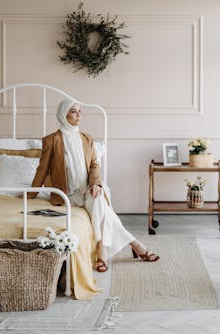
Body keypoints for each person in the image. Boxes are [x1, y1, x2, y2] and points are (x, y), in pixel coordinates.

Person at [29, 99, 159, 273]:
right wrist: (30, 194)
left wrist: (96, 184)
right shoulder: (51, 140)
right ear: (63, 114)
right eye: (74, 111)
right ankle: (134, 244)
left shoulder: (86, 138)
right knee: (104, 211)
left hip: (88, 189)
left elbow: (94, 165)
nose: (79, 115)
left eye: (80, 111)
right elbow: (42, 169)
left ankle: (101, 252)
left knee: (98, 200)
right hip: (68, 195)